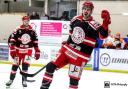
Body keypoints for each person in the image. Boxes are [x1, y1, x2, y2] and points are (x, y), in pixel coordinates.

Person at [40, 1, 111, 89]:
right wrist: (67, 42)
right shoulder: (75, 19)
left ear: (91, 11)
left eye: (88, 9)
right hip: (67, 50)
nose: (86, 11)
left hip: (80, 56)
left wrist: (105, 22)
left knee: (73, 80)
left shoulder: (94, 24)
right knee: (50, 66)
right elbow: (71, 33)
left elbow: (103, 35)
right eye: (84, 9)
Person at [6, 16, 40, 88]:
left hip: (28, 51)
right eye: (25, 21)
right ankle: (11, 80)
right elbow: (12, 40)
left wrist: (37, 51)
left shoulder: (32, 30)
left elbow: (35, 42)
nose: (26, 22)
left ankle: (24, 80)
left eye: (27, 21)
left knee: (25, 66)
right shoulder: (18, 29)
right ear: (22, 21)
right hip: (18, 51)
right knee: (14, 66)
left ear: (29, 21)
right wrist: (12, 50)